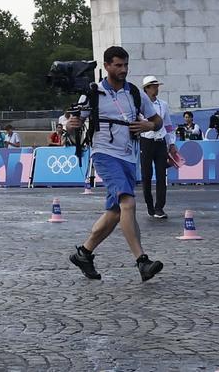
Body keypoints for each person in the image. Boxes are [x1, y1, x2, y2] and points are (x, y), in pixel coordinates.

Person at [66, 45, 166, 283]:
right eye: (118, 65)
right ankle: (142, 261)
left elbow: (158, 120)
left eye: (126, 65)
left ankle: (84, 253)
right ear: (107, 66)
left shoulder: (134, 92)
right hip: (104, 154)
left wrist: (149, 126)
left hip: (129, 156)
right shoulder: (93, 93)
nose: (123, 70)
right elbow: (75, 121)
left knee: (114, 213)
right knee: (128, 202)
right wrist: (71, 125)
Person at [136, 77, 172, 220]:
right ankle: (150, 205)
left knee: (161, 175)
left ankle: (159, 207)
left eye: (157, 86)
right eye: (153, 86)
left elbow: (168, 125)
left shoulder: (163, 105)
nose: (156, 89)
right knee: (146, 175)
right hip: (146, 141)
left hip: (160, 141)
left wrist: (172, 143)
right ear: (147, 88)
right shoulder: (139, 105)